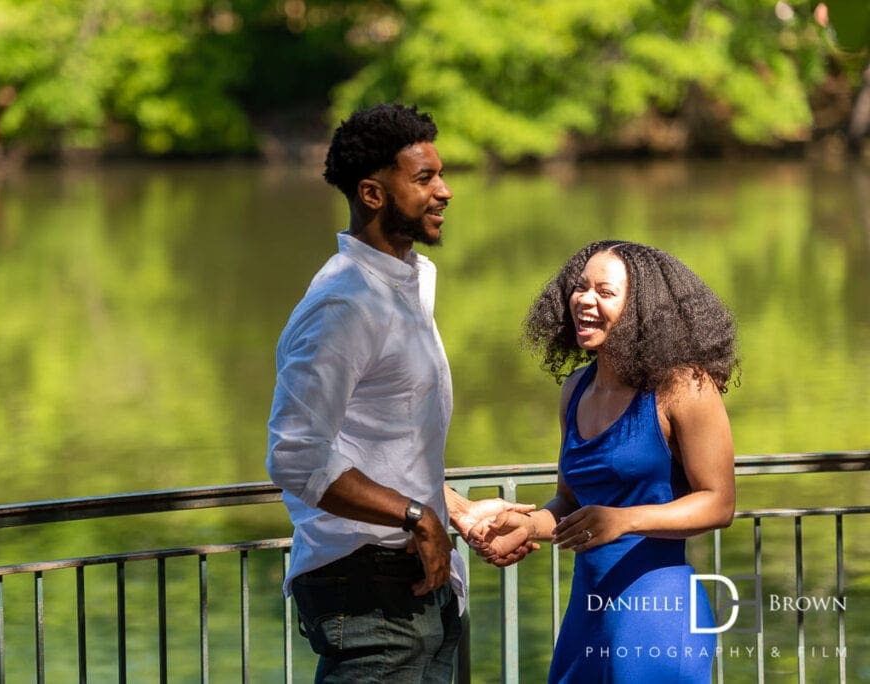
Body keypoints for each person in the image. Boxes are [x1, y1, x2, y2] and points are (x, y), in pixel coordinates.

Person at [266, 103, 534, 683]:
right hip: (366, 588)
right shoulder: (344, 302)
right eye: (424, 178)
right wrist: (417, 516)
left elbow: (381, 442)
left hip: (416, 581)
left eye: (440, 174)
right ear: (372, 193)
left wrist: (456, 511)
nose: (445, 191)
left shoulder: (407, 284)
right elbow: (296, 455)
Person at [475, 240, 738, 682]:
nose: (585, 301)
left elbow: (719, 503)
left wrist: (625, 520)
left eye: (605, 292)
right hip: (587, 609)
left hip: (657, 609)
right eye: (580, 289)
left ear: (640, 309)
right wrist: (528, 524)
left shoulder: (685, 387)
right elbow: (570, 500)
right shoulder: (575, 389)